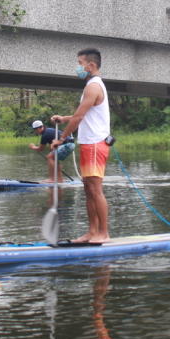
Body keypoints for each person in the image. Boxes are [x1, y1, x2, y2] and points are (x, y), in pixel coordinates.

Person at [51, 48, 111, 243]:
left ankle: (104, 233)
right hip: (88, 144)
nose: (78, 67)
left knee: (95, 190)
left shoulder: (93, 87)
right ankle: (92, 232)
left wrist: (62, 138)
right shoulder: (91, 87)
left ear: (90, 65)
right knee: (88, 190)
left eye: (79, 63)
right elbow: (82, 115)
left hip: (95, 145)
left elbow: (78, 117)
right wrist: (63, 118)